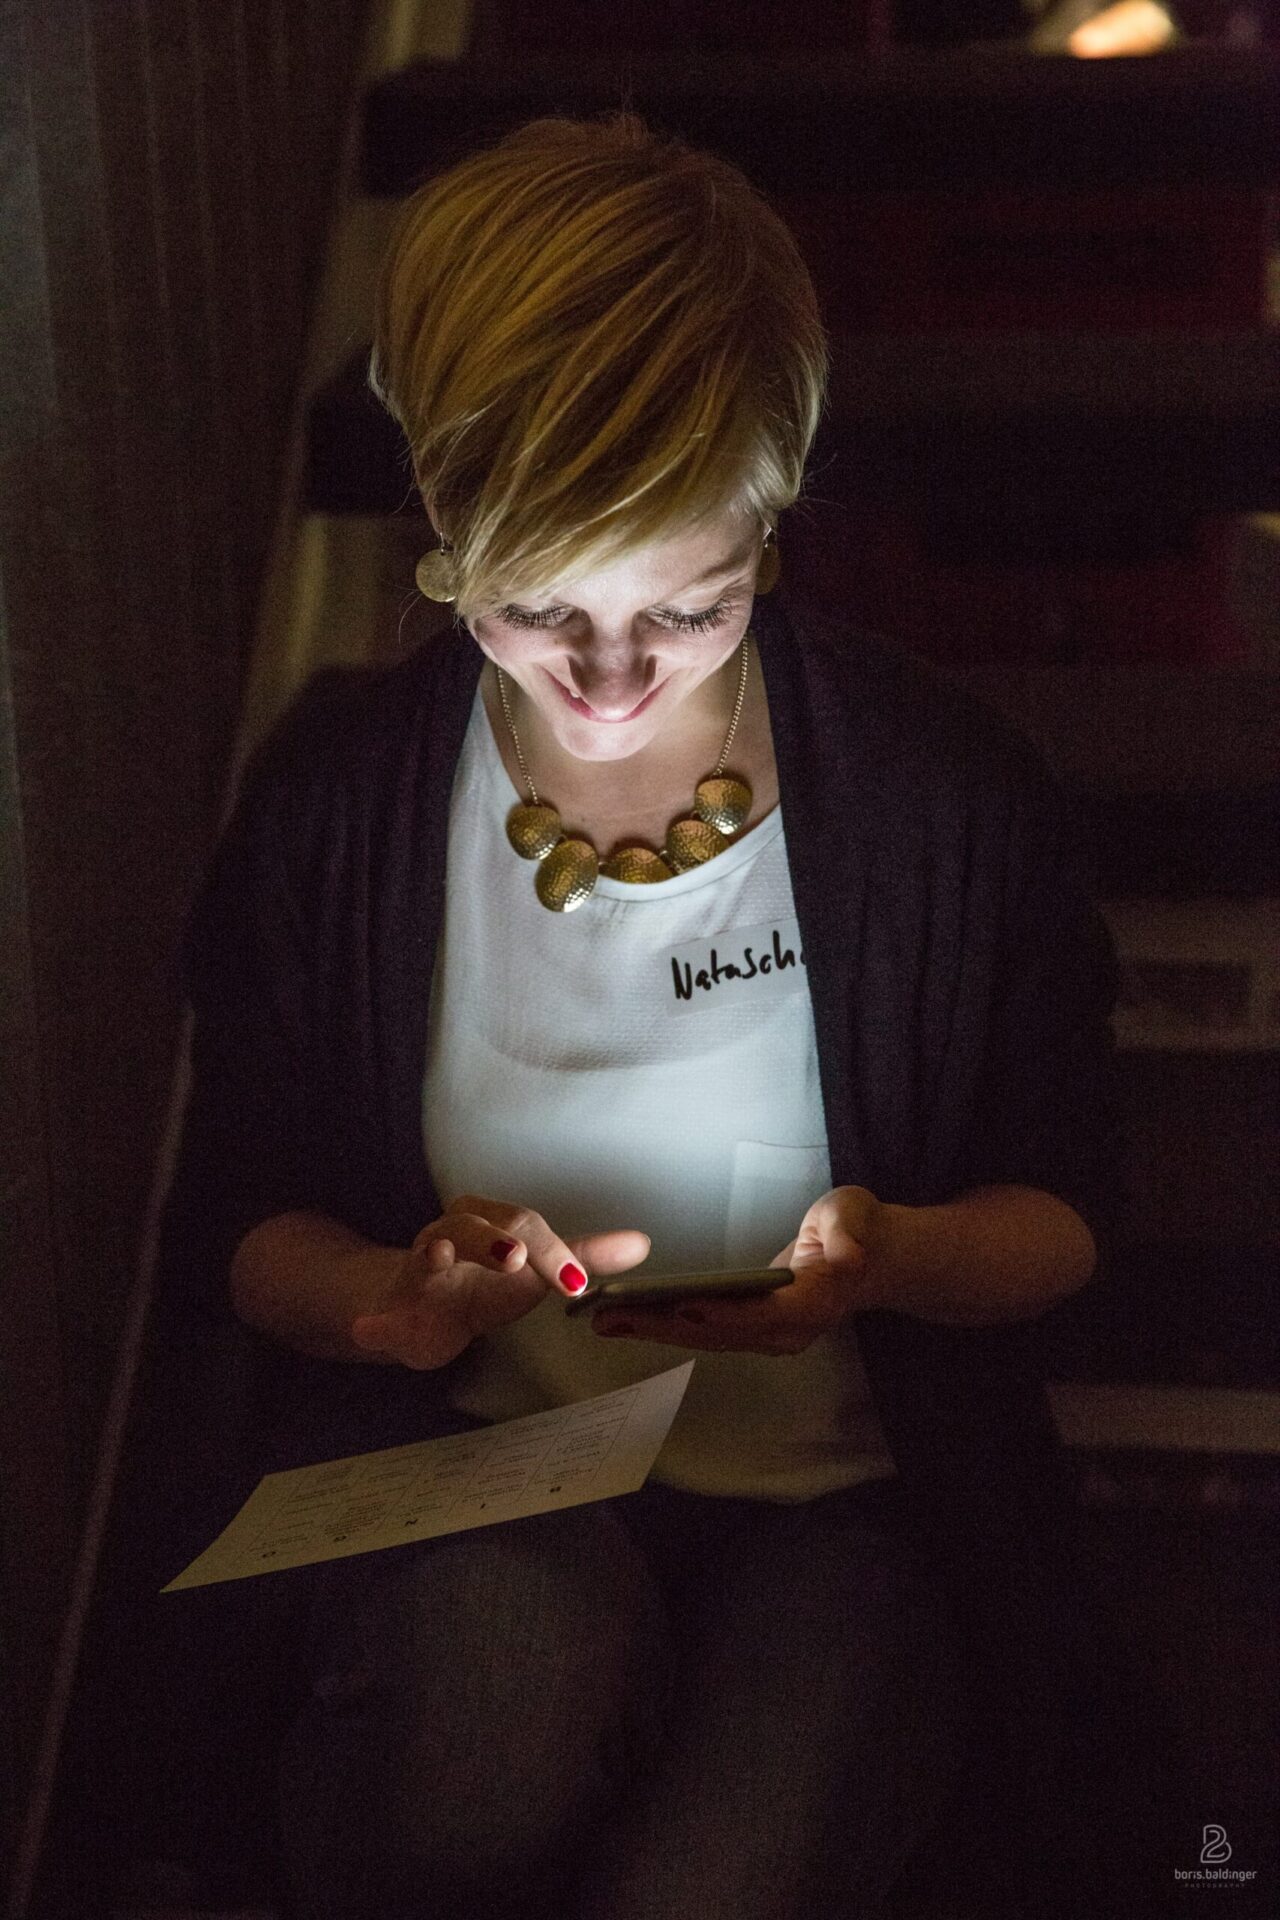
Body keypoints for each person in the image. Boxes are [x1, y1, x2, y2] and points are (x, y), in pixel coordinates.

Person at [102, 112, 1126, 1920]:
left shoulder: (947, 802)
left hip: (840, 1508)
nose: (608, 678)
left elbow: (1066, 1219)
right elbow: (235, 1229)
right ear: (440, 521)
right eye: (535, 606)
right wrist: (385, 1299)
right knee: (499, 1702)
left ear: (774, 527)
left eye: (691, 605)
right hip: (468, 1472)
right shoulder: (343, 802)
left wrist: (889, 1259)